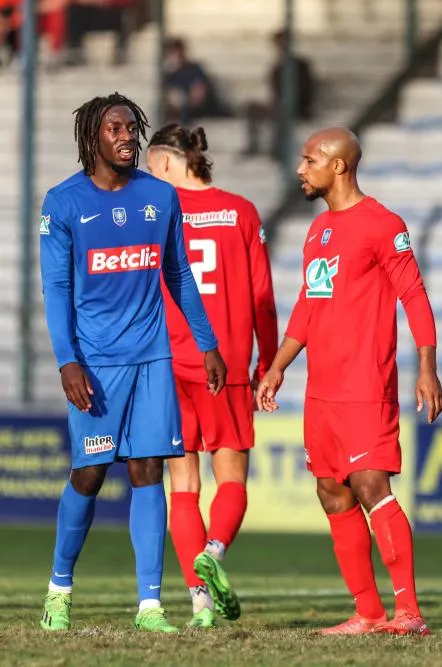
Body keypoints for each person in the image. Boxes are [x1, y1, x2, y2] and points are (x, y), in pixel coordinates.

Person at [38, 93, 226, 633]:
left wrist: (207, 343)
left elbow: (179, 274)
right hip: (96, 363)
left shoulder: (160, 197)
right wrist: (67, 361)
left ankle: (150, 605)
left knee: (149, 473)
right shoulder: (63, 202)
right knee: (90, 474)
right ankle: (58, 590)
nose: (126, 137)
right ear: (91, 137)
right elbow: (55, 288)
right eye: (114, 128)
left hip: (153, 358)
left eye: (131, 128)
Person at [255, 127, 442, 636]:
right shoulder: (319, 231)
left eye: (309, 159)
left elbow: (414, 296)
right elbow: (309, 305)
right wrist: (277, 365)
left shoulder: (383, 224)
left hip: (366, 382)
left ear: (338, 166)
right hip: (322, 389)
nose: (301, 168)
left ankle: (409, 613)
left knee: (369, 484)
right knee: (331, 492)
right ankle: (368, 612)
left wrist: (427, 366)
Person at [144, 123, 277, 628]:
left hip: (169, 364)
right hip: (226, 364)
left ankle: (199, 603)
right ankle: (214, 552)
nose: (149, 178)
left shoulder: (157, 214)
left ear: (172, 164)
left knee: (182, 485)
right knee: (232, 479)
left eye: (153, 168)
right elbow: (261, 297)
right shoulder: (240, 212)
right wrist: (268, 363)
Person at [243, 30, 317, 158]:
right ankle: (253, 146)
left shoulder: (301, 65)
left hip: (299, 107)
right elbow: (274, 93)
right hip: (280, 106)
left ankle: (277, 149)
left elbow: (307, 91)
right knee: (252, 108)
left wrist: (287, 102)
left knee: (281, 111)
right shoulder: (276, 68)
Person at [163, 38, 230, 125]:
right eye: (174, 54)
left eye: (180, 52)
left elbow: (200, 91)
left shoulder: (195, 69)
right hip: (186, 109)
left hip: (203, 107)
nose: (178, 57)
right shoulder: (171, 76)